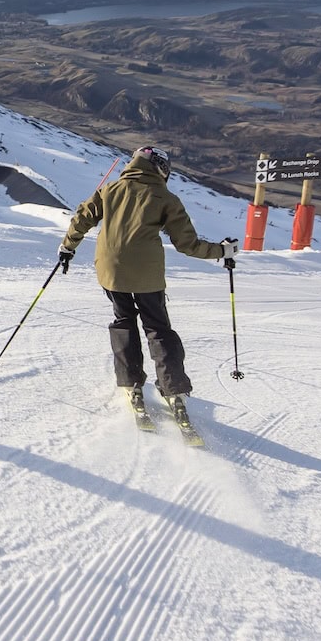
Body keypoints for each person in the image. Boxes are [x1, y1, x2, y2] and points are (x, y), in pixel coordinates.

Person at [57, 144, 236, 430]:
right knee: (158, 328)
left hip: (110, 270)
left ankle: (131, 384)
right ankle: (174, 389)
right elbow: (188, 244)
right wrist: (222, 251)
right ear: (161, 168)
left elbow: (82, 217)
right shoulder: (165, 197)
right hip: (147, 275)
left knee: (124, 320)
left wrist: (68, 248)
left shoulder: (110, 190)